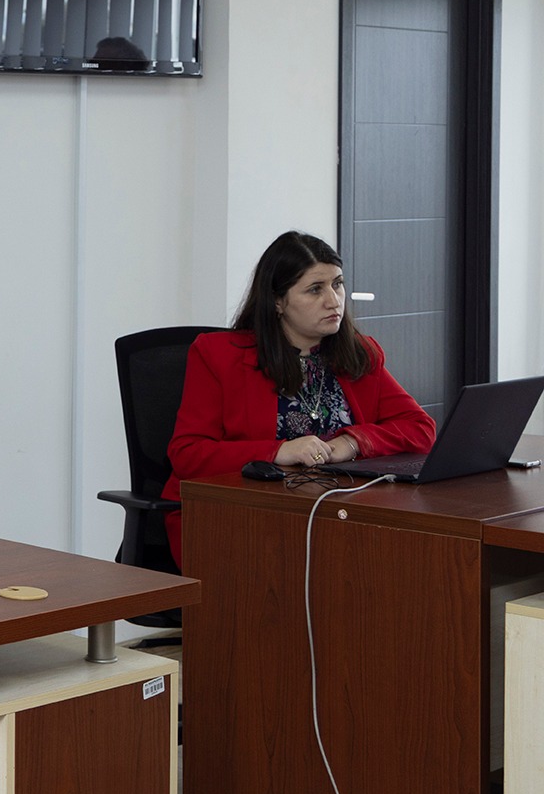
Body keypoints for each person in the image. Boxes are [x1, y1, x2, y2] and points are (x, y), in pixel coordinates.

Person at [163, 231, 435, 569]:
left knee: (408, 558)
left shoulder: (359, 354)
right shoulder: (218, 356)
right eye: (315, 289)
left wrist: (352, 442)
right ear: (278, 301)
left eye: (337, 284)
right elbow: (187, 453)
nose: (334, 301)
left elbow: (420, 429)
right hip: (236, 517)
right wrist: (278, 451)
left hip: (337, 512)